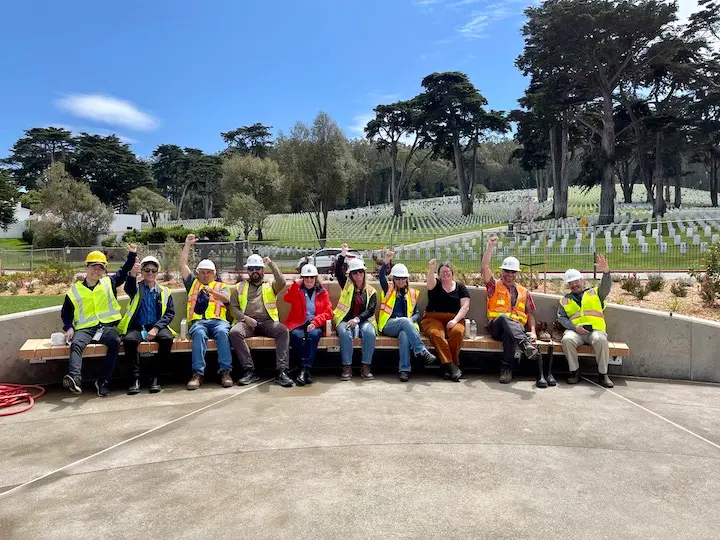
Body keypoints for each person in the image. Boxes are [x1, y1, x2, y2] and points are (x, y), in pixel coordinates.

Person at [61, 245, 137, 397]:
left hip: (107, 327)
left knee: (115, 342)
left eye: (100, 268)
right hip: (85, 329)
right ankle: (75, 378)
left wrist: (132, 254)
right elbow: (66, 313)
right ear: (86, 267)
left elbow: (125, 269)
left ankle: (104, 381)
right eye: (93, 267)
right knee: (76, 344)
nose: (97, 271)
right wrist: (69, 327)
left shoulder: (110, 282)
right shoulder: (74, 291)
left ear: (104, 270)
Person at [481, 235, 540, 384]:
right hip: (496, 326)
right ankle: (525, 345)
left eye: (513, 272)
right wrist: (490, 247)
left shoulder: (524, 291)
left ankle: (506, 370)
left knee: (510, 334)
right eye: (507, 271)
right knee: (504, 319)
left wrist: (532, 331)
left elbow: (530, 313)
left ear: (517, 274)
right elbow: (484, 268)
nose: (509, 274)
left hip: (515, 330)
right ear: (502, 271)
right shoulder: (494, 286)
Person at [229, 254, 293, 388]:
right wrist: (246, 319)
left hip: (268, 322)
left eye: (258, 268)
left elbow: (282, 282)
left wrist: (271, 264)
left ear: (262, 270)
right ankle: (250, 371)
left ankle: (282, 371)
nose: (254, 271)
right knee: (235, 332)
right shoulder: (239, 287)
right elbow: (233, 309)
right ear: (248, 271)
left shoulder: (270, 284)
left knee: (283, 330)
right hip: (247, 323)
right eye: (251, 268)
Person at [180, 234, 232, 390]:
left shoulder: (220, 286)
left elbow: (226, 299)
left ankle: (225, 372)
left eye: (208, 272)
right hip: (198, 322)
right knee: (198, 334)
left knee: (223, 333)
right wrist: (187, 245)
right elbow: (182, 265)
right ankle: (198, 374)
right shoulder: (192, 283)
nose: (205, 275)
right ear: (198, 273)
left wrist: (212, 292)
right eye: (202, 272)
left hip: (218, 322)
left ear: (214, 274)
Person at [120, 256, 176, 395]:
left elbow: (169, 313)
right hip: (138, 326)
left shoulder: (165, 291)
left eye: (153, 270)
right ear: (142, 272)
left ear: (157, 272)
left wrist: (156, 328)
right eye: (146, 270)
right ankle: (135, 379)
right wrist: (132, 273)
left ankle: (155, 377)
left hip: (156, 326)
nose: (150, 273)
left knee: (166, 340)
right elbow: (129, 287)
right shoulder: (136, 289)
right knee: (130, 341)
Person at [378, 251, 437, 382]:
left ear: (406, 279)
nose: (400, 281)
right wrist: (386, 261)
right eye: (397, 278)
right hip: (389, 325)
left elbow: (416, 313)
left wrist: (411, 320)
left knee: (405, 334)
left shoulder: (411, 293)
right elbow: (381, 276)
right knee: (404, 322)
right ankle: (421, 350)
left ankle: (404, 370)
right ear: (393, 279)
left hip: (406, 326)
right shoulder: (388, 289)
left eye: (402, 278)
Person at [557, 256, 614, 388]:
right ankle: (574, 371)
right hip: (577, 332)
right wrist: (575, 328)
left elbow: (606, 286)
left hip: (595, 331)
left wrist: (606, 272)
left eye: (576, 281)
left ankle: (603, 374)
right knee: (567, 340)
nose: (574, 285)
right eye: (570, 283)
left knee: (601, 340)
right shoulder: (564, 300)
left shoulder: (595, 293)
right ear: (568, 285)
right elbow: (562, 318)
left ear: (582, 280)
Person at [283, 264, 334, 386]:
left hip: (315, 323)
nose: (309, 280)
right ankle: (302, 369)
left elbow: (329, 312)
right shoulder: (297, 290)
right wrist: (295, 284)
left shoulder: (323, 292)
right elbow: (287, 298)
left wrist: (315, 322)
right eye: (306, 278)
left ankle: (304, 370)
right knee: (296, 336)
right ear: (303, 278)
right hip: (298, 323)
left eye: (312, 277)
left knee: (313, 336)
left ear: (316, 278)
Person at [334, 243, 377, 381]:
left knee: (369, 333)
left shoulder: (371, 291)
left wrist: (357, 319)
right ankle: (347, 367)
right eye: (354, 272)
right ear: (350, 275)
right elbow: (338, 272)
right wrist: (343, 255)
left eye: (360, 272)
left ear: (364, 273)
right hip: (345, 319)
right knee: (345, 334)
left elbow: (370, 310)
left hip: (364, 321)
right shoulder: (346, 285)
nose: (358, 275)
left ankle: (366, 366)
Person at [421, 259, 469, 382]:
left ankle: (446, 368)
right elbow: (429, 283)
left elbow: (465, 306)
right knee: (436, 334)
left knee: (457, 333)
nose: (445, 274)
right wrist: (431, 268)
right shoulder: (435, 284)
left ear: (452, 273)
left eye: (447, 271)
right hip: (433, 317)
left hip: (455, 318)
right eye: (442, 272)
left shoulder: (461, 287)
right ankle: (452, 366)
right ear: (439, 274)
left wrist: (455, 320)